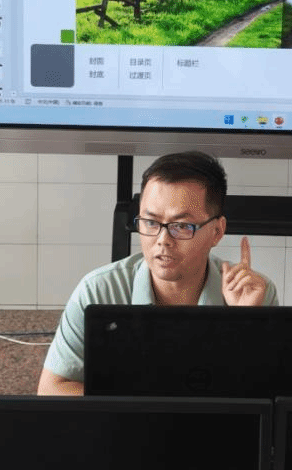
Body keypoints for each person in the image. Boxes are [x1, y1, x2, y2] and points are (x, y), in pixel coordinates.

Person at [37, 150, 279, 396]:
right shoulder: (99, 290)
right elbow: (51, 389)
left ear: (217, 231)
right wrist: (144, 407)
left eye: (182, 226)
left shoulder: (253, 294)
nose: (163, 240)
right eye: (151, 222)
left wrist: (243, 324)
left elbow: (273, 399)